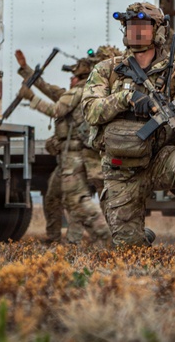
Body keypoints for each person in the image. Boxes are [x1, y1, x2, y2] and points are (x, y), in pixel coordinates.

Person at [81, 2, 175, 248]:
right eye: (131, 26)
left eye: (143, 26)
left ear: (159, 31)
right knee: (130, 248)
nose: (136, 32)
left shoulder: (174, 73)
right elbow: (91, 110)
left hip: (158, 159)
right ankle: (141, 236)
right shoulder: (107, 70)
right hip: (121, 167)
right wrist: (125, 98)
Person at [19, 54, 111, 246]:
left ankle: (103, 236)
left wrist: (31, 99)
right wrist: (27, 70)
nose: (70, 79)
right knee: (54, 198)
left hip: (74, 158)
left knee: (77, 200)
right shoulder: (82, 92)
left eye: (72, 75)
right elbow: (48, 89)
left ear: (80, 76)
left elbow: (55, 110)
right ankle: (55, 238)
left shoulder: (78, 91)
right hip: (69, 158)